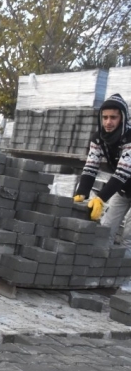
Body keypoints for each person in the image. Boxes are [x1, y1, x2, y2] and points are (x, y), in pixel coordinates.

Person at [73, 94, 131, 252]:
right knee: (106, 229)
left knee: (128, 238)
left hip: (124, 179)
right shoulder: (98, 138)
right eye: (105, 117)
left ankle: (124, 277)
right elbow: (91, 165)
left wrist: (101, 198)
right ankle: (100, 272)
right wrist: (82, 192)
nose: (108, 122)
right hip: (124, 189)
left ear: (123, 118)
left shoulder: (130, 137)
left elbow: (124, 171)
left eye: (113, 117)